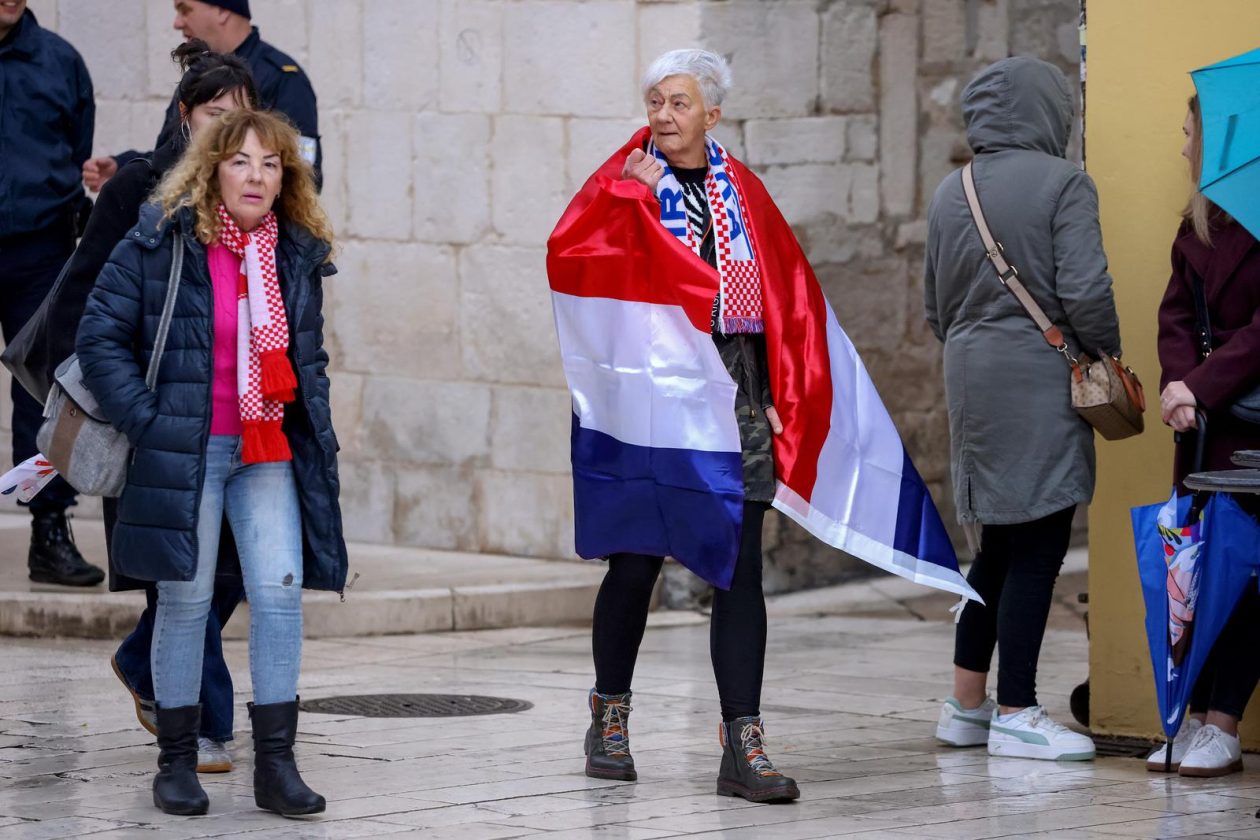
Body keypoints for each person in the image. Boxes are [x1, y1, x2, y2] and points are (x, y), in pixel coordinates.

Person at [76, 109, 346, 817]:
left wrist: (314, 426)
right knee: (187, 599)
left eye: (271, 164)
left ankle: (277, 767)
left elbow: (307, 359)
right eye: (241, 161)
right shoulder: (161, 239)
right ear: (211, 168)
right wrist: (147, 421)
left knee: (280, 593)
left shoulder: (297, 249)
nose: (256, 177)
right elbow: (100, 334)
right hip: (187, 448)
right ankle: (176, 761)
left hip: (266, 450)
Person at [549, 49, 798, 804]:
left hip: (730, 397)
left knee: (737, 568)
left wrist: (783, 388)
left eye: (679, 103)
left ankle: (743, 744)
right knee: (635, 560)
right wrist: (636, 206)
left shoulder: (744, 192)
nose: (662, 115)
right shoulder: (623, 180)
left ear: (712, 115)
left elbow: (786, 294)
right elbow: (574, 253)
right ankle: (610, 716)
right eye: (655, 101)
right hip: (646, 405)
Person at [45, 41, 257, 776]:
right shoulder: (139, 186)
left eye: (239, 116)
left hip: (231, 426)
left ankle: (143, 661)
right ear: (185, 113)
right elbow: (82, 305)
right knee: (182, 571)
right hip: (151, 427)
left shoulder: (253, 200)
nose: (225, 128)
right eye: (212, 114)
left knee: (230, 570)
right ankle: (201, 727)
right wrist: (134, 408)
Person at [925, 57, 1121, 761]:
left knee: (998, 546)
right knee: (1039, 542)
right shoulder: (1065, 182)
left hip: (970, 375)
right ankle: (1018, 710)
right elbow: (1087, 291)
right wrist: (1105, 354)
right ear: (1049, 111)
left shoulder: (953, 190)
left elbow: (933, 307)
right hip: (1040, 376)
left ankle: (966, 705)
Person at [1146, 94, 1260, 778]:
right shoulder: (1199, 224)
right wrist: (1178, 387)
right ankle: (1192, 717)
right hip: (1205, 423)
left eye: (1190, 134)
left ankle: (1225, 722)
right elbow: (1176, 314)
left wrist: (1203, 384)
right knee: (1200, 572)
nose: (1183, 148)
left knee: (1250, 576)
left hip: (1247, 422)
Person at [0, 0, 102, 586]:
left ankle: (48, 529)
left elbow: (76, 148)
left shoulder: (60, 61)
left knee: (44, 396)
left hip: (39, 251)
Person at [82, 0, 320, 191]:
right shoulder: (201, 74)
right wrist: (123, 168)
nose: (177, 23)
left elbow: (303, 176)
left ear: (221, 11)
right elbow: (179, 154)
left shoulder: (284, 79)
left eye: (185, 9)